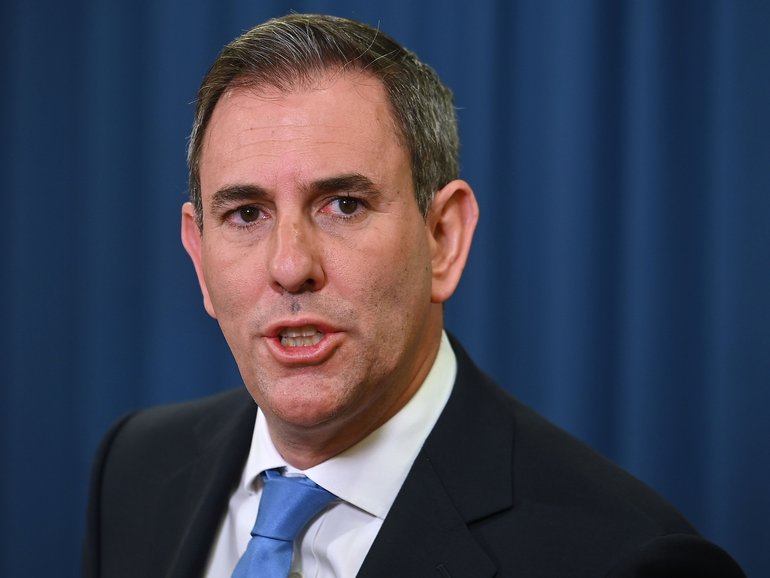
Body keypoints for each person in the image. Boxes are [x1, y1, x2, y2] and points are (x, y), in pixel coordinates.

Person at [82, 13, 745, 578]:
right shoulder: (135, 469)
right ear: (199, 259)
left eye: (343, 204)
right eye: (246, 214)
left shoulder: (626, 558)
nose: (289, 266)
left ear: (443, 238)